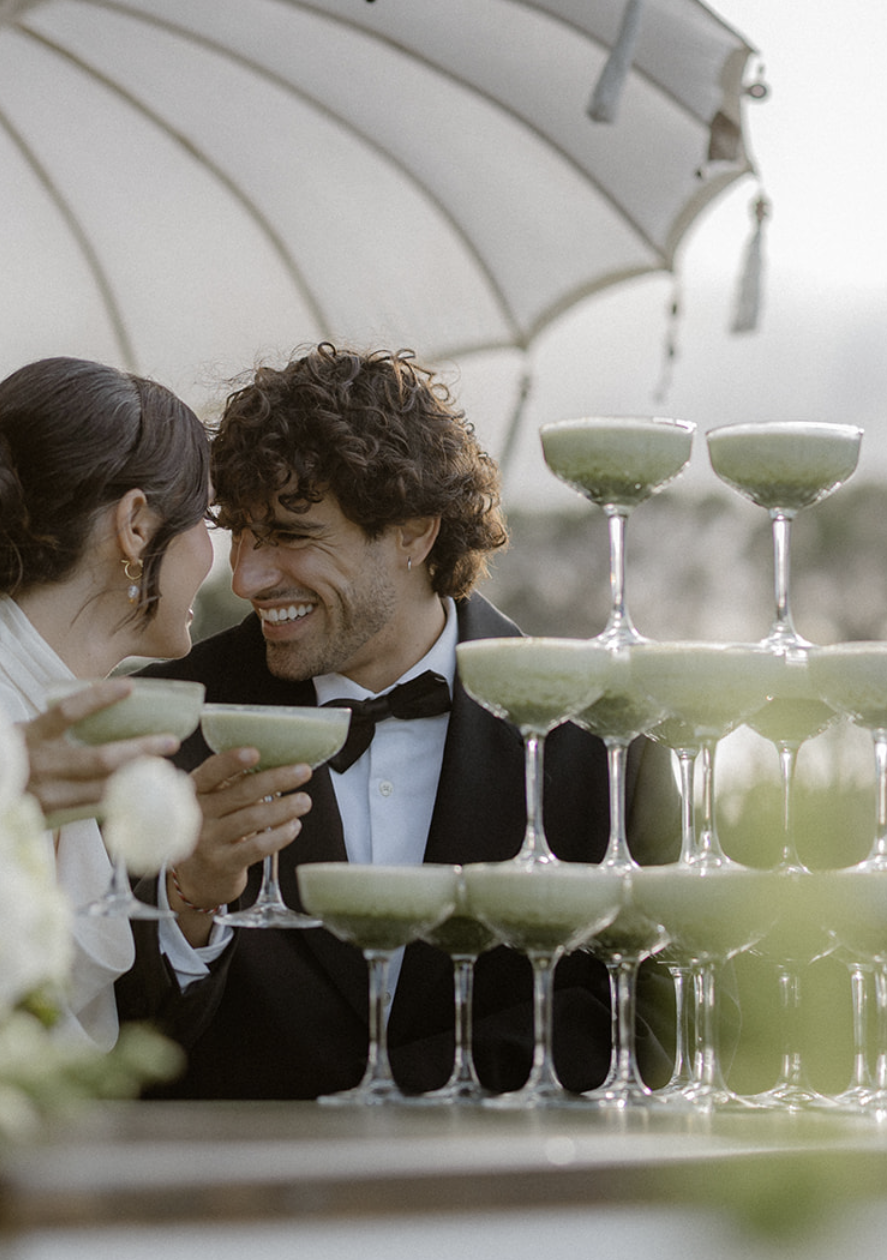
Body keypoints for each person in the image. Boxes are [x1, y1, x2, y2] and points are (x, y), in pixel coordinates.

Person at [119, 343, 669, 1099]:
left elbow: (659, 1022)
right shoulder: (161, 720)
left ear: (414, 531)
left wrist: (408, 1091)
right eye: (241, 534)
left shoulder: (602, 734)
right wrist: (189, 899)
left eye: (292, 534)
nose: (246, 576)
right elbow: (109, 1038)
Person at [0, 356, 213, 1051]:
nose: (212, 554)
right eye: (205, 518)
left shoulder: (124, 734)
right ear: (136, 525)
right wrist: (0, 806)